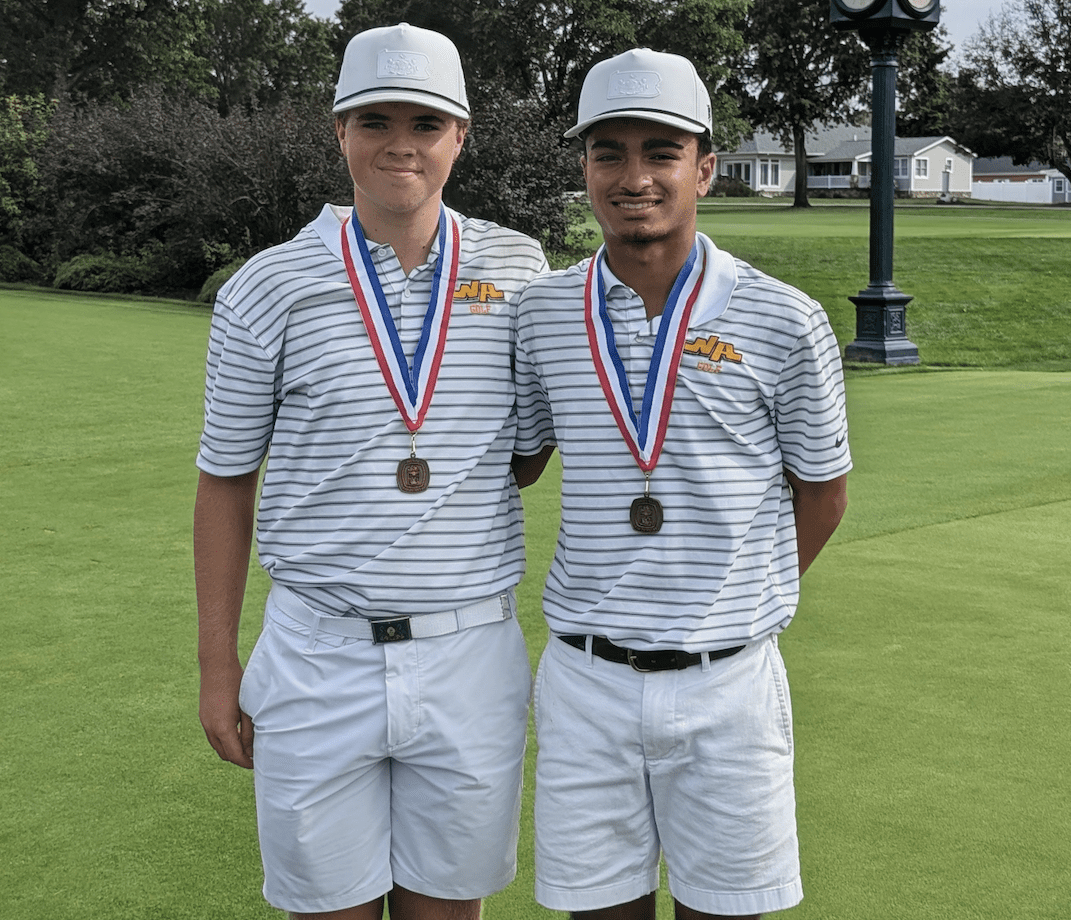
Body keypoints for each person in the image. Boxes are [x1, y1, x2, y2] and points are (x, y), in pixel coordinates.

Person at [194, 23, 548, 920]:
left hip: (470, 651)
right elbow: (226, 480)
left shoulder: (517, 268)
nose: (402, 144)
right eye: (375, 120)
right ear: (340, 130)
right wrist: (215, 667)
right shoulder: (267, 285)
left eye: (426, 123)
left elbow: (527, 450)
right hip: (318, 654)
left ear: (460, 135)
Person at [513, 48, 852, 920]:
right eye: (608, 152)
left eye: (660, 151)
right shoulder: (543, 313)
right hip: (586, 681)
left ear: (704, 165)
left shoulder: (785, 317)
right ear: (584, 167)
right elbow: (515, 461)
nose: (633, 177)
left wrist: (735, 595)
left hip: (728, 686)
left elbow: (822, 492)